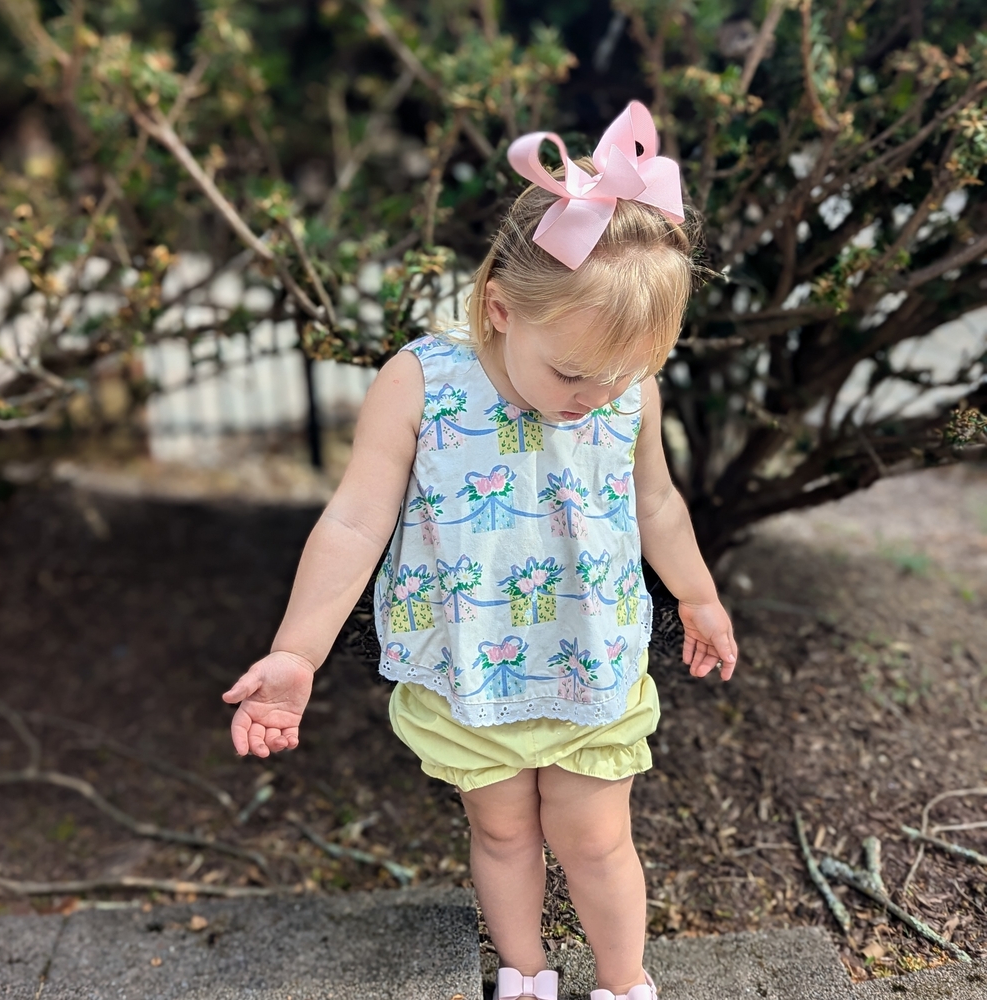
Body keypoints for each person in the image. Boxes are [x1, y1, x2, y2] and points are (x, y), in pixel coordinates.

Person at [222, 101, 738, 1000]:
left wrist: (697, 594)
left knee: (596, 838)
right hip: (468, 668)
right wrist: (297, 650)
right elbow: (353, 519)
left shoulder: (624, 394)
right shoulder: (425, 381)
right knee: (502, 833)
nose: (596, 397)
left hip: (591, 659)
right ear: (500, 307)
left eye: (625, 375)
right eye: (574, 374)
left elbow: (655, 502)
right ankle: (524, 975)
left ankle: (624, 984)